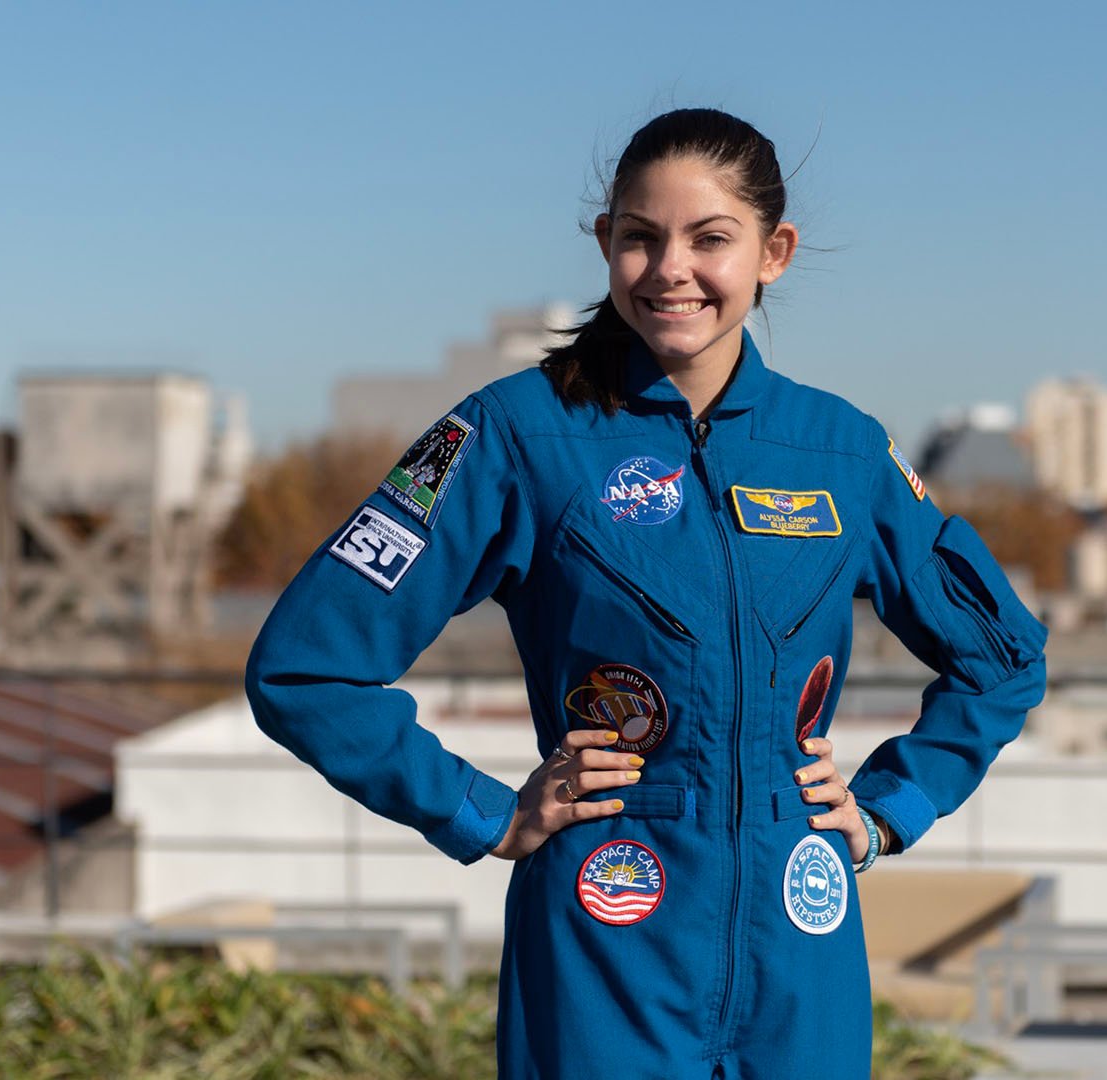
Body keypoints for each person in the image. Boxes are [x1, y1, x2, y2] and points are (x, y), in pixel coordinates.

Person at [245, 107, 1049, 1079]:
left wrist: (890, 808)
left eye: (711, 239)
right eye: (641, 237)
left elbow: (1004, 658)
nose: (671, 269)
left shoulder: (841, 451)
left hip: (803, 948)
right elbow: (306, 668)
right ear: (606, 245)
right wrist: (485, 814)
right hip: (603, 944)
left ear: (774, 252)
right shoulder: (517, 436)